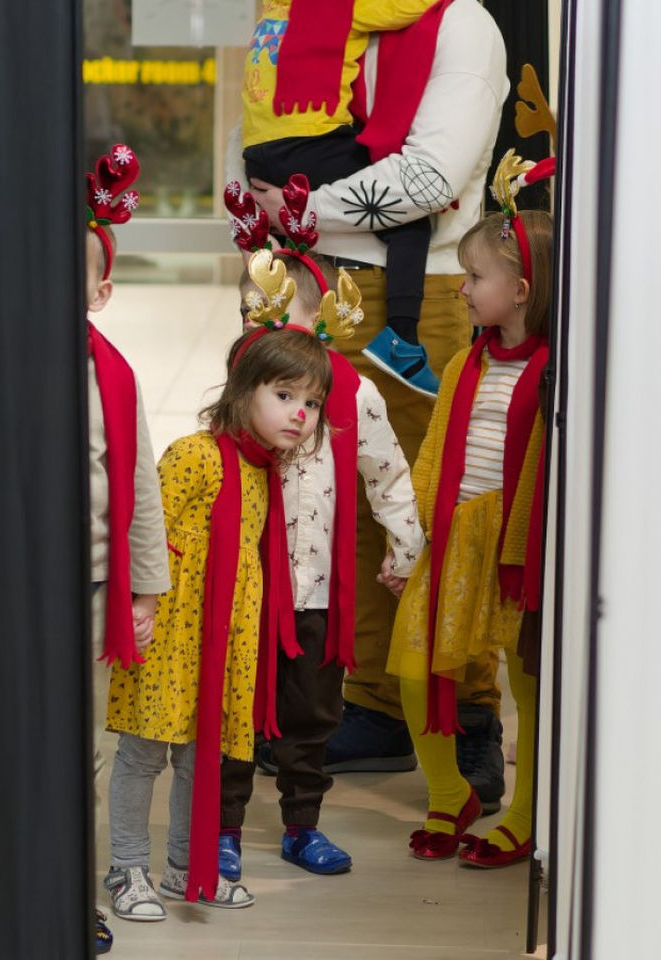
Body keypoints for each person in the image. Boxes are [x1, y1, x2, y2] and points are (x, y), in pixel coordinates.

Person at [237, 0, 510, 812]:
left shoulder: (462, 22)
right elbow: (257, 124)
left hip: (419, 293)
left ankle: (464, 712)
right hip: (311, 280)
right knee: (332, 509)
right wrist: (262, 218)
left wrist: (296, 206)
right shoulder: (309, 14)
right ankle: (370, 702)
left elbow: (431, 174)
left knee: (437, 506)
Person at [102, 321, 334, 918]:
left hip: (223, 638)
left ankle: (185, 867)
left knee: (200, 757)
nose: (300, 414)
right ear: (242, 389)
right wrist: (136, 607)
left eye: (311, 402)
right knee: (144, 754)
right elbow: (144, 533)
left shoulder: (265, 472)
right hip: (171, 633)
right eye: (284, 396)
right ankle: (126, 866)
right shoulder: (195, 455)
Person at [218, 246, 426, 881]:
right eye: (252, 316)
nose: (262, 330)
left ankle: (302, 826)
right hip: (247, 591)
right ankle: (222, 827)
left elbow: (386, 472)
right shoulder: (248, 389)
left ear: (320, 318)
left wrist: (405, 546)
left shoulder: (353, 392)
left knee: (313, 717)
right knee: (236, 710)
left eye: (276, 315)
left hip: (314, 597)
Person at [388, 152, 553, 867]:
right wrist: (420, 527)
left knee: (525, 678)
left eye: (475, 278)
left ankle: (524, 811)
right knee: (417, 668)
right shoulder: (466, 364)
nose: (462, 289)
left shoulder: (554, 373)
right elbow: (432, 451)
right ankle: (448, 790)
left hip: (513, 549)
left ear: (521, 290)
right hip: (455, 538)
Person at [241, 0, 443, 397]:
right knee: (408, 220)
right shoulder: (343, 6)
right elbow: (407, 8)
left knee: (280, 247)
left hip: (258, 154)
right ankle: (401, 338)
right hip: (309, 140)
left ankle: (266, 335)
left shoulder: (270, 13)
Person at [84, 143, 173, 954]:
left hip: (91, 591)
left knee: (84, 756)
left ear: (101, 290)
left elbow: (141, 492)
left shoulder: (114, 377)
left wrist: (144, 594)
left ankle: (74, 899)